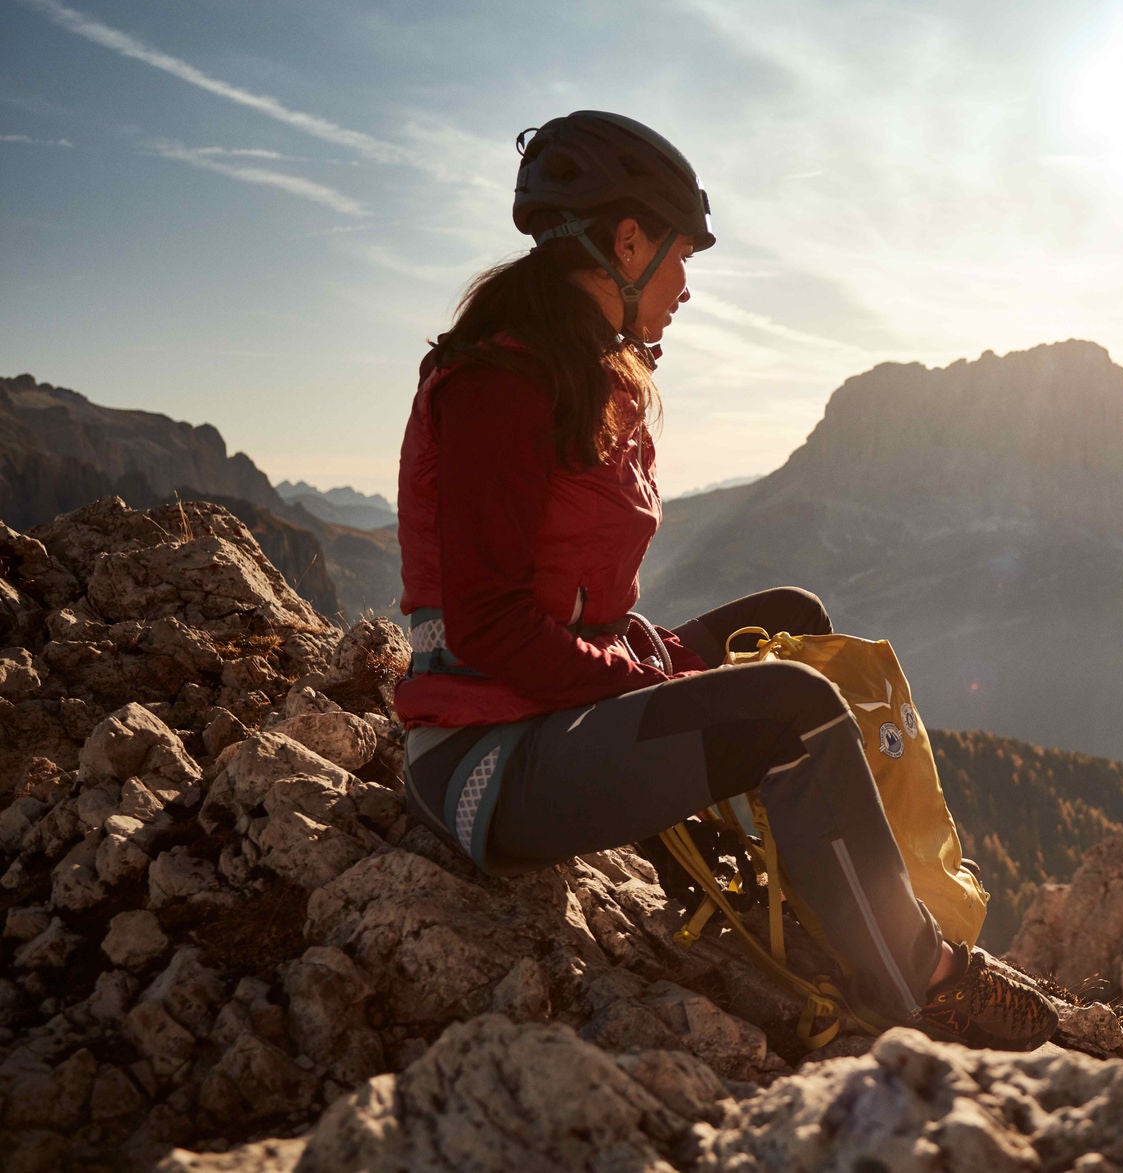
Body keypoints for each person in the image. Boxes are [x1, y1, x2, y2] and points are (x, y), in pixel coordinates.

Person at [394, 110, 1056, 1050]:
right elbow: (493, 626)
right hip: (486, 763)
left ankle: (815, 889)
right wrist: (651, 682)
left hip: (541, 712)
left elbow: (571, 602)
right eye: (679, 257)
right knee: (792, 709)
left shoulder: (570, 367)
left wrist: (653, 658)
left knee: (795, 617)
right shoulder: (500, 386)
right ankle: (923, 980)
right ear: (626, 241)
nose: (685, 286)